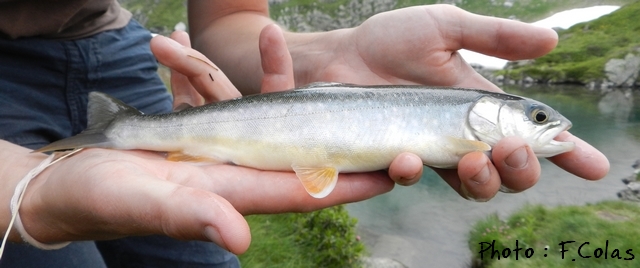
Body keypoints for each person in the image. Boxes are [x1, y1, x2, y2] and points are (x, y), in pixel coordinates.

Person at [0, 1, 609, 267]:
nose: (547, 127)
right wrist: (25, 195)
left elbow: (231, 18)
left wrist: (324, 55)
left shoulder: (469, 123)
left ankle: (122, 134)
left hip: (114, 40)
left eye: (537, 120)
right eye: (536, 119)